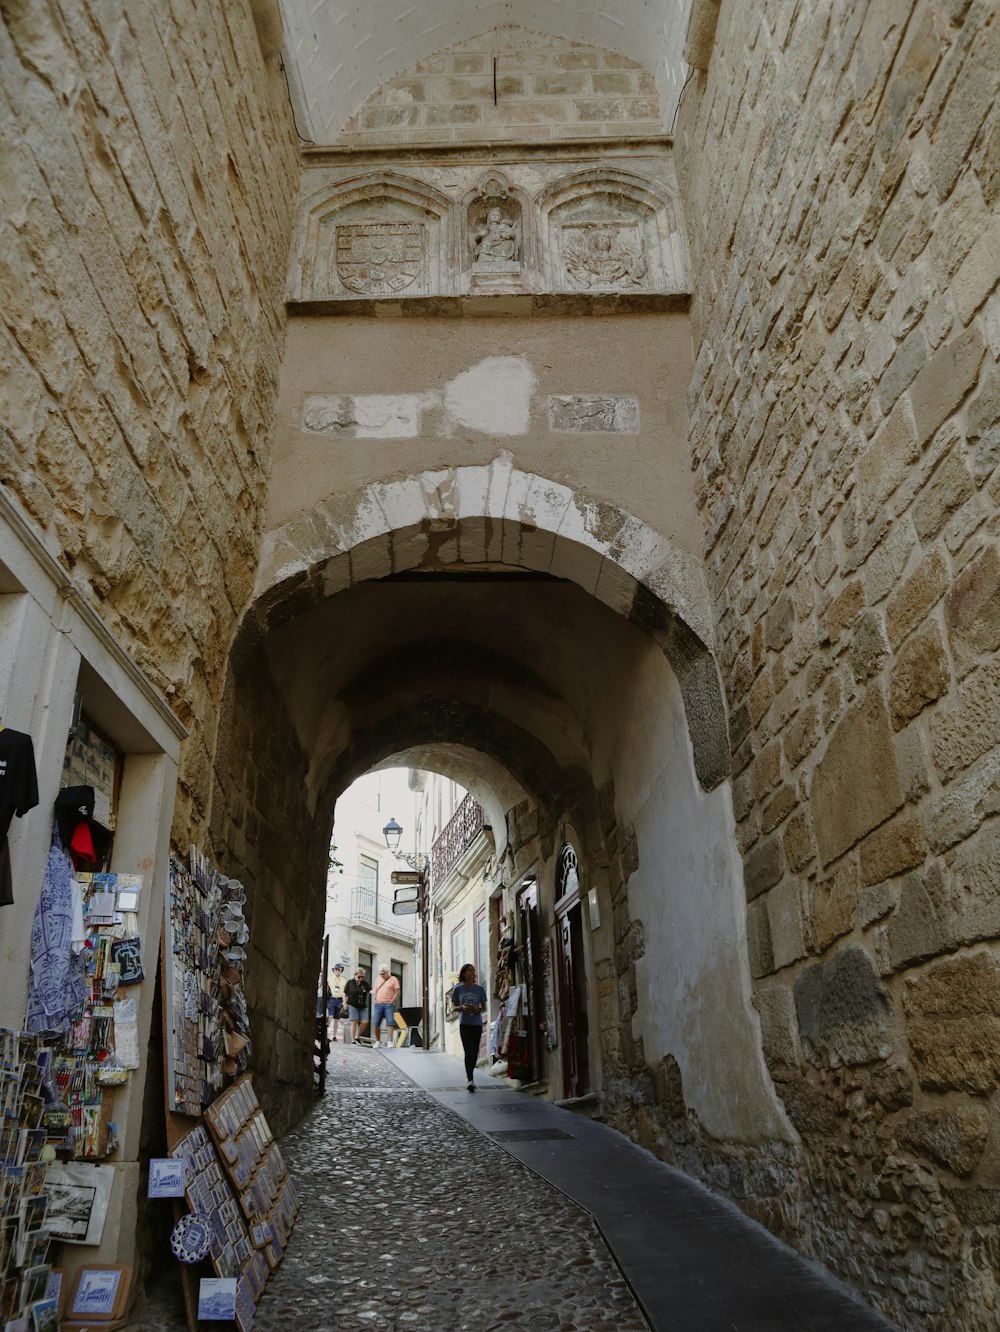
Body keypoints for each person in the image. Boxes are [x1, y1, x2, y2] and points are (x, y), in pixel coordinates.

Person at [449, 963, 487, 1091]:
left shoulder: (479, 989)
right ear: (464, 973)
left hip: (476, 1023)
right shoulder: (458, 989)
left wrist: (478, 1009)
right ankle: (470, 1079)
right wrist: (461, 1008)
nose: (472, 972)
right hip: (464, 1024)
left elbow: (484, 1007)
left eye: (473, 970)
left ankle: (470, 1075)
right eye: (469, 970)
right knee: (468, 1051)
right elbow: (453, 1007)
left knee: (475, 1051)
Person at [372, 966, 400, 1048]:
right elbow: (376, 990)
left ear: (387, 972)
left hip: (388, 1004)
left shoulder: (393, 979)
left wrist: (392, 1001)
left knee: (390, 1022)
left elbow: (397, 991)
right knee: (376, 1023)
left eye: (383, 974)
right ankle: (377, 1041)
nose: (381, 975)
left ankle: (389, 1041)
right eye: (380, 974)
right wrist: (374, 999)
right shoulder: (378, 979)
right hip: (379, 1003)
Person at [344, 967, 371, 1044]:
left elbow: (370, 990)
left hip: (362, 1006)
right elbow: (344, 992)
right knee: (354, 1021)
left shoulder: (365, 984)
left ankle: (357, 1036)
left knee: (365, 1021)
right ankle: (353, 1040)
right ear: (355, 975)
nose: (361, 978)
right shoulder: (350, 982)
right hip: (352, 1004)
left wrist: (377, 992)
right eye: (359, 976)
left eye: (362, 977)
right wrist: (344, 1002)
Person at [327, 963, 346, 1041]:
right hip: (332, 999)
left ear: (341, 970)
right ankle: (327, 1030)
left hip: (339, 1000)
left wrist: (344, 1002)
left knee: (336, 1019)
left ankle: (334, 1036)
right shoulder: (330, 979)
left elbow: (345, 991)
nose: (337, 971)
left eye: (339, 969)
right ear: (334, 970)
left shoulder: (344, 980)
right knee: (331, 1015)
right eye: (336, 969)